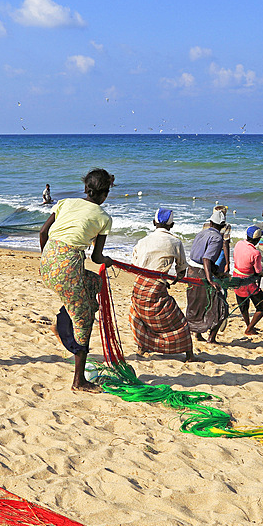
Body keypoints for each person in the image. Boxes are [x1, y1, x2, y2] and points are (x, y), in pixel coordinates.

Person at [39, 168, 115, 394]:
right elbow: (96, 257)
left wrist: (49, 259)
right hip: (67, 270)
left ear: (85, 189)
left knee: (93, 284)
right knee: (84, 320)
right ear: (105, 194)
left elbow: (43, 232)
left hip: (47, 263)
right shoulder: (103, 217)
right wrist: (108, 261)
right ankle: (79, 381)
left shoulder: (65, 203)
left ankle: (62, 323)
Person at [128, 208, 198, 362]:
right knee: (179, 322)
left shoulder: (142, 241)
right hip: (156, 288)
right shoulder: (175, 242)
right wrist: (174, 280)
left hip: (138, 288)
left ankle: (142, 346)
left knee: (138, 315)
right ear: (171, 225)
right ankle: (189, 355)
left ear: (154, 223)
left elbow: (134, 265)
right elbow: (181, 269)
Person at [187, 208, 229, 343]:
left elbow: (200, 256)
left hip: (191, 271)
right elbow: (206, 259)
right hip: (201, 273)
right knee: (221, 306)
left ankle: (197, 334)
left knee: (195, 306)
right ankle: (211, 337)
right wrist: (210, 279)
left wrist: (216, 271)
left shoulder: (202, 233)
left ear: (210, 223)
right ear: (222, 226)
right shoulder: (217, 238)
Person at [231, 226, 263, 335]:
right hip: (248, 283)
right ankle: (249, 329)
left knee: (243, 305)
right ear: (257, 240)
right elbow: (258, 271)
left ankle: (248, 325)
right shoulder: (255, 253)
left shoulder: (239, 244)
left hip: (236, 278)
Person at [201, 204, 231, 274]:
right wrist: (227, 263)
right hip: (219, 251)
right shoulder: (226, 226)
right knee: (218, 272)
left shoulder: (205, 224)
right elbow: (225, 243)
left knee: (208, 269)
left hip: (207, 249)